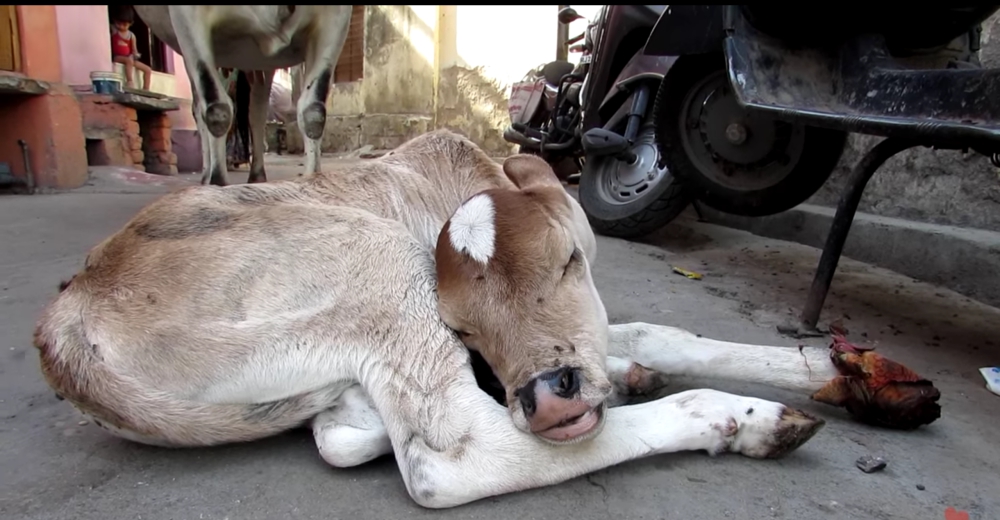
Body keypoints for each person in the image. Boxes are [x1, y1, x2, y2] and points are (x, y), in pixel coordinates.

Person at [110, 10, 152, 91]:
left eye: (125, 25)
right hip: (118, 57)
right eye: (119, 24)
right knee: (129, 60)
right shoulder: (114, 31)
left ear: (130, 24)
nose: (121, 26)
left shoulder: (131, 36)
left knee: (148, 70)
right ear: (115, 22)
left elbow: (134, 50)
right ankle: (130, 81)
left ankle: (146, 89)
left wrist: (136, 55)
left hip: (130, 58)